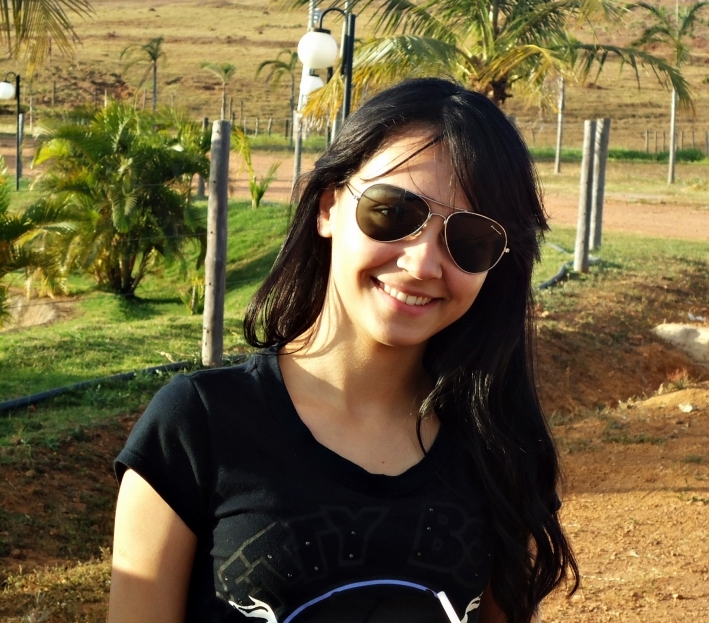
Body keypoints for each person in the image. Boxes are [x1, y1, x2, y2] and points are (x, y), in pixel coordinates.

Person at [109, 78, 577, 623]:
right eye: (393, 212)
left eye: (470, 240)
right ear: (328, 206)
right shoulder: (196, 428)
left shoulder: (497, 447)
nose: (422, 264)